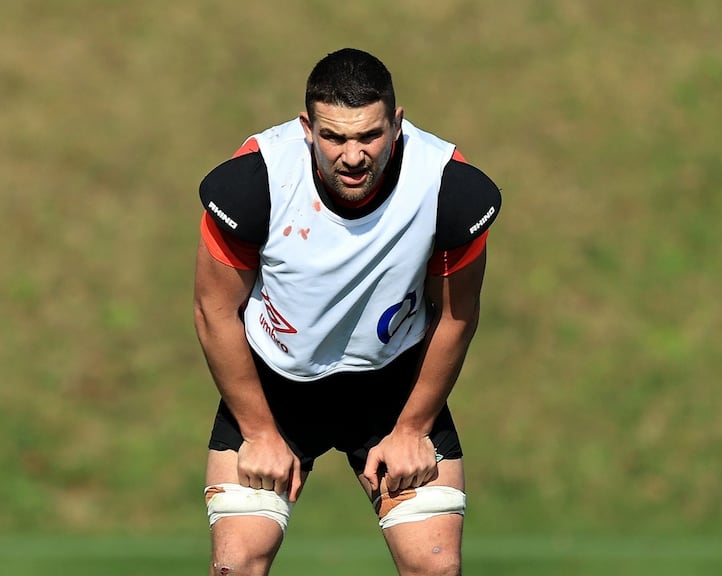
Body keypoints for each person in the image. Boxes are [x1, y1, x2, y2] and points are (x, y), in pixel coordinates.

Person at [193, 47, 501, 576]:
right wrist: (260, 431)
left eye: (369, 136)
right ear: (306, 128)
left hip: (394, 385)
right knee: (236, 563)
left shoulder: (448, 187)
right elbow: (213, 311)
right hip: (275, 385)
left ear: (396, 124)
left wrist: (413, 428)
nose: (353, 156)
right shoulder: (254, 182)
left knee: (435, 567)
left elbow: (457, 316)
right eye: (334, 137)